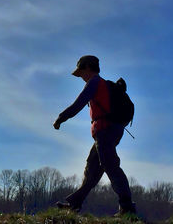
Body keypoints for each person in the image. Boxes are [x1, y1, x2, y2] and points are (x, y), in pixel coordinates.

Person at [53, 55, 136, 215]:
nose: (81, 76)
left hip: (106, 130)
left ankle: (127, 207)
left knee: (110, 165)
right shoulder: (100, 84)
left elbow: (79, 103)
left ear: (88, 68)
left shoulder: (95, 82)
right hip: (109, 130)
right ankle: (74, 204)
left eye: (81, 72)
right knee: (92, 169)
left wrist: (61, 118)